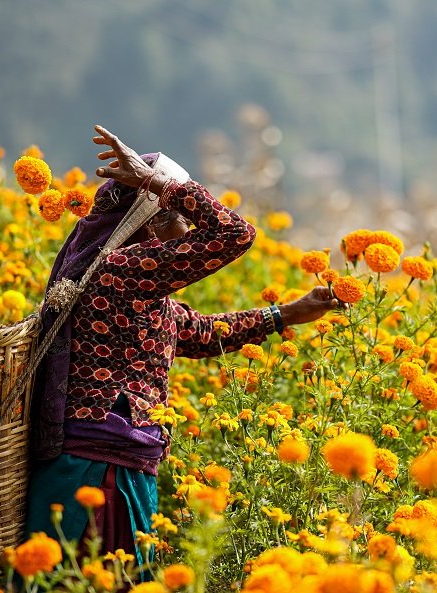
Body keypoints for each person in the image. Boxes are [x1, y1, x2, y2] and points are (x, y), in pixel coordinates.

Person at [23, 125, 340, 578]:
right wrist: (159, 183)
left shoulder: (131, 280)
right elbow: (234, 234)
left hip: (108, 459)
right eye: (178, 217)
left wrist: (287, 313)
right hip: (97, 468)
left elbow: (199, 333)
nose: (187, 229)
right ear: (151, 220)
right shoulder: (119, 271)